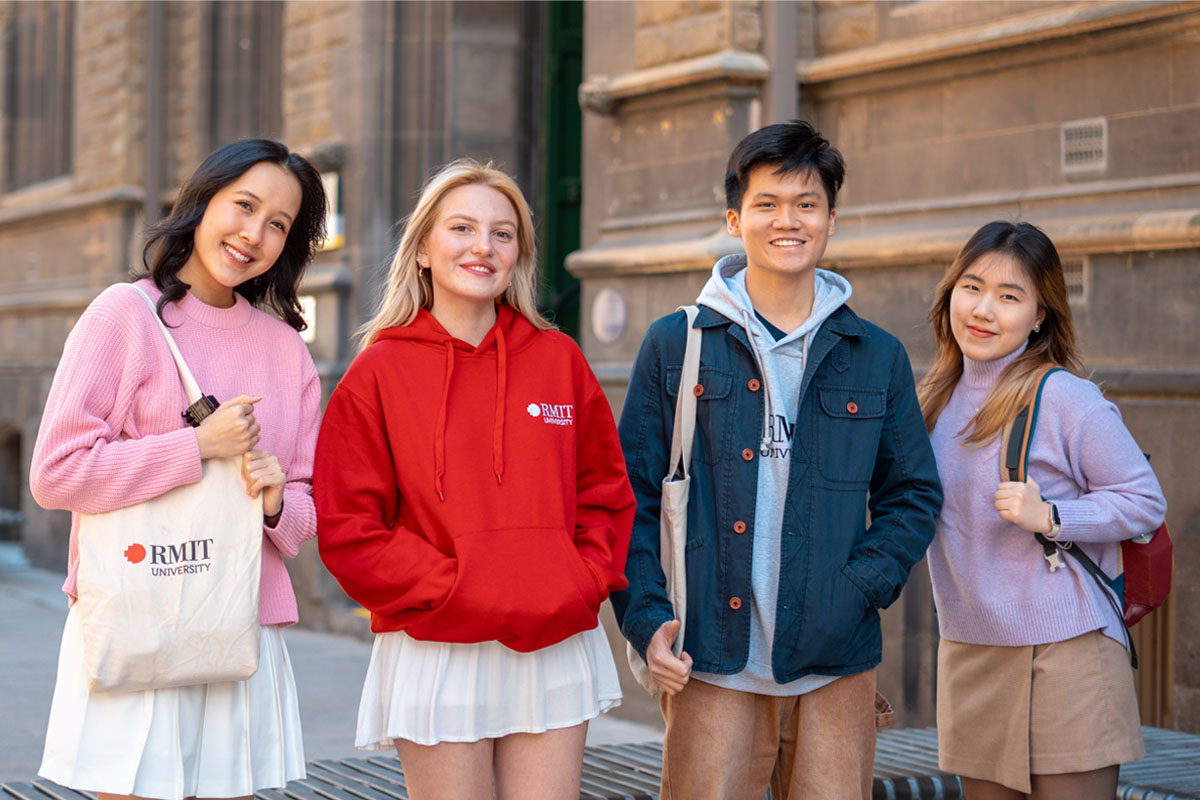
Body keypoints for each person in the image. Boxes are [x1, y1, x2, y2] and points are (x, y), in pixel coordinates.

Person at [611, 120, 943, 799]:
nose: (787, 221)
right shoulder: (676, 344)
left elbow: (913, 494)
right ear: (735, 219)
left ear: (829, 220)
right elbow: (630, 496)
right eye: (767, 203)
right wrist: (645, 619)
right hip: (711, 663)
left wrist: (856, 592)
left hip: (835, 667)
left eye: (806, 204)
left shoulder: (874, 354)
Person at [313, 158, 634, 800]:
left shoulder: (557, 359)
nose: (483, 246)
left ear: (519, 254)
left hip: (549, 643)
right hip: (438, 645)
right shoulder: (379, 371)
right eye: (462, 228)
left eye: (503, 233)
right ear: (425, 249)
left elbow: (606, 494)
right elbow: (349, 526)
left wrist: (577, 581)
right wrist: (453, 587)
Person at [31, 139, 328, 800]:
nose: (254, 233)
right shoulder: (125, 317)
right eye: (243, 206)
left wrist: (278, 499)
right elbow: (55, 474)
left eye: (278, 224)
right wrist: (197, 449)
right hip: (140, 611)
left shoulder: (285, 350)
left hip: (239, 624)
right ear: (203, 202)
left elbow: (305, 517)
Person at [917, 221, 1166, 799]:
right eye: (971, 287)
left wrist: (1054, 516)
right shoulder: (931, 400)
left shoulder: (1064, 398)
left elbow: (1145, 500)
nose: (983, 310)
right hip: (971, 647)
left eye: (1010, 296)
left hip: (1066, 645)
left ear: (1040, 315)